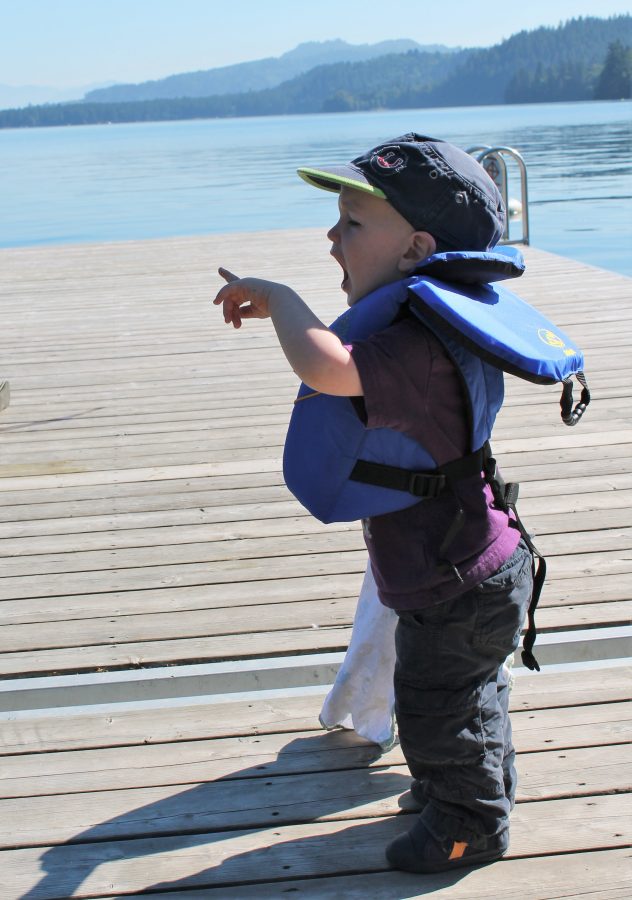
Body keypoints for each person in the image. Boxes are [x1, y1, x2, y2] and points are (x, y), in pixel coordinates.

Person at [213, 133, 533, 874]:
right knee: (462, 694)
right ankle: (472, 789)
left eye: (351, 224)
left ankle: (468, 824)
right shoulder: (430, 325)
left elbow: (330, 369)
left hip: (454, 580)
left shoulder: (417, 348)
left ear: (418, 248)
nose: (331, 239)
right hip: (470, 566)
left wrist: (285, 297)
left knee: (436, 703)